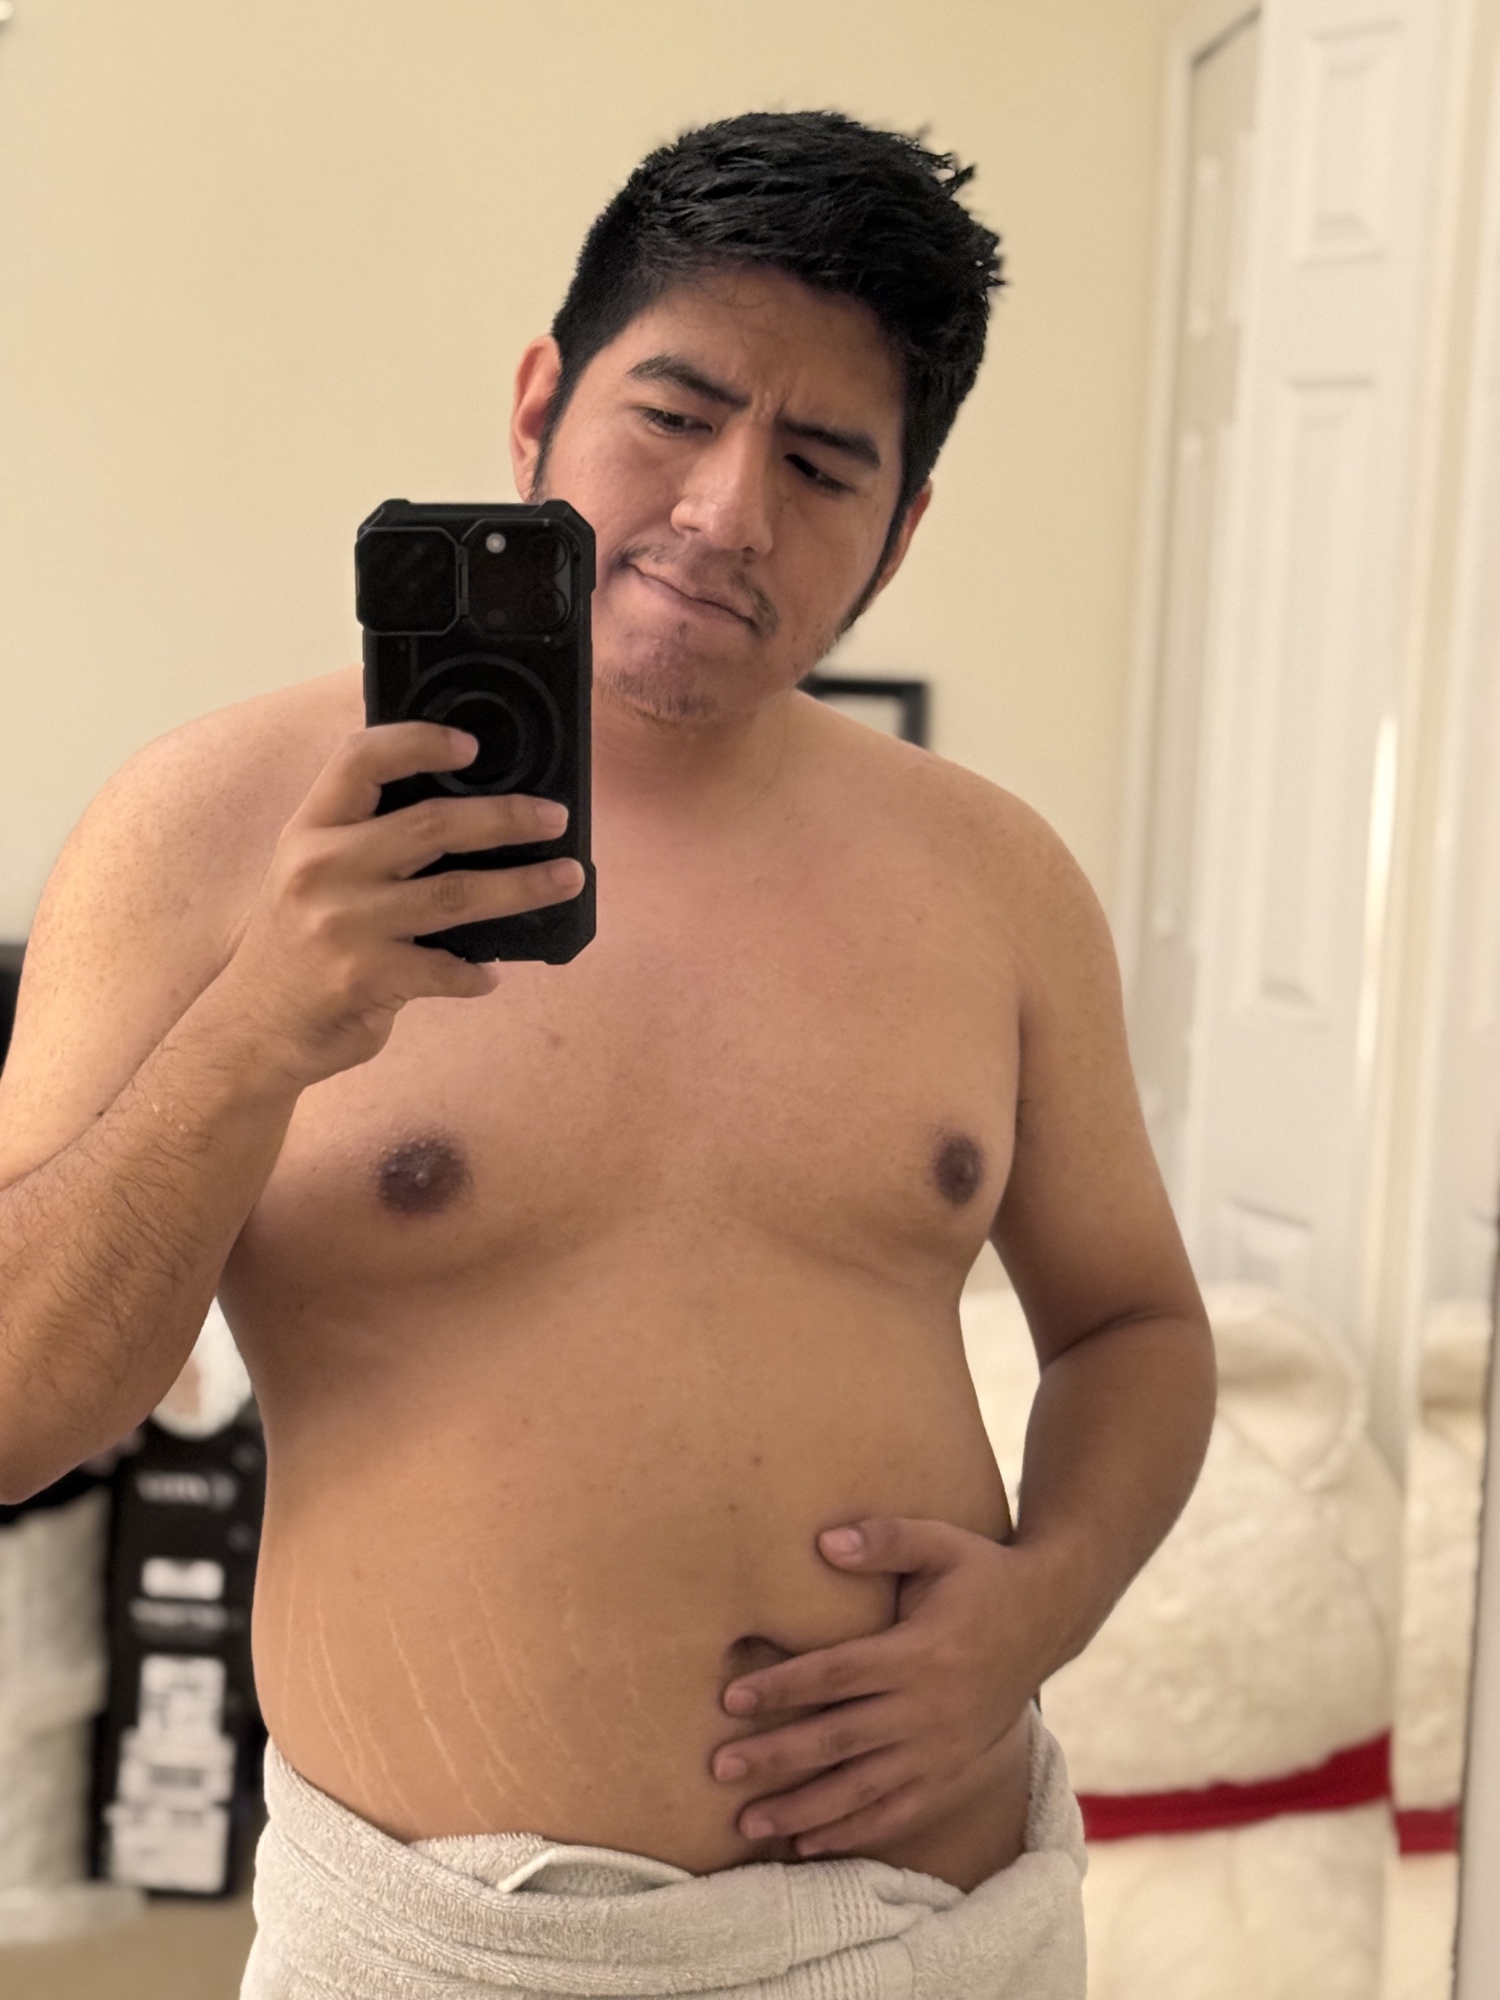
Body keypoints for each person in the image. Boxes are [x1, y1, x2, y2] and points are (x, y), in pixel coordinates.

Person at [0, 111, 1215, 1997]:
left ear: (899, 534)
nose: (727, 513)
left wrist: (1042, 1606)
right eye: (676, 413)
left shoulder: (996, 879)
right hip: (436, 1955)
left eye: (821, 464)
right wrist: (256, 1029)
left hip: (949, 1934)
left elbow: (1137, 1327)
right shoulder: (206, 828)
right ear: (537, 409)